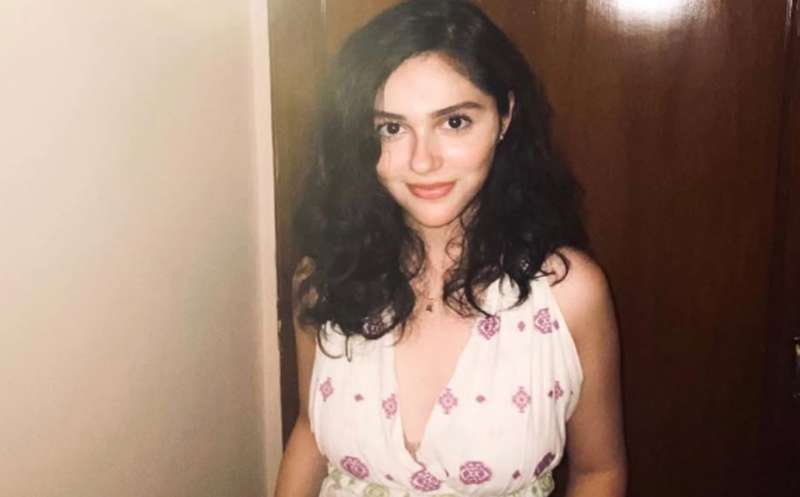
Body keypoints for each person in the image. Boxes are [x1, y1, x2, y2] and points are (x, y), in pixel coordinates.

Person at [275, 1, 627, 496]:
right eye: (391, 128)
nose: (423, 161)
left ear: (504, 115)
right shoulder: (324, 279)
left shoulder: (568, 293)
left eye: (454, 122)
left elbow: (598, 471)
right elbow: (311, 432)